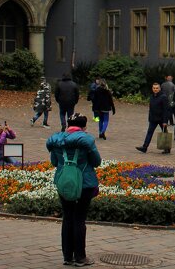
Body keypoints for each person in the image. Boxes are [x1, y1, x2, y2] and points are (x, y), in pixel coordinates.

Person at [46, 112, 101, 267]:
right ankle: (80, 257)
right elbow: (96, 162)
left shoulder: (56, 141)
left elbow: (54, 162)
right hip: (85, 183)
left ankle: (67, 256)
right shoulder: (87, 142)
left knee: (68, 217)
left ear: (68, 125)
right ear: (83, 127)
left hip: (64, 183)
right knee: (79, 219)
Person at [135, 82, 169, 154]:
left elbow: (166, 110)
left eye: (157, 88)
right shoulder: (152, 96)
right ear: (152, 89)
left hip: (161, 119)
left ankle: (167, 148)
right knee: (149, 133)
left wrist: (165, 121)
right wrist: (150, 117)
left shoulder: (163, 97)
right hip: (153, 119)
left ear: (159, 88)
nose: (155, 89)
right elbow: (151, 108)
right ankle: (144, 147)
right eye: (154, 88)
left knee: (165, 133)